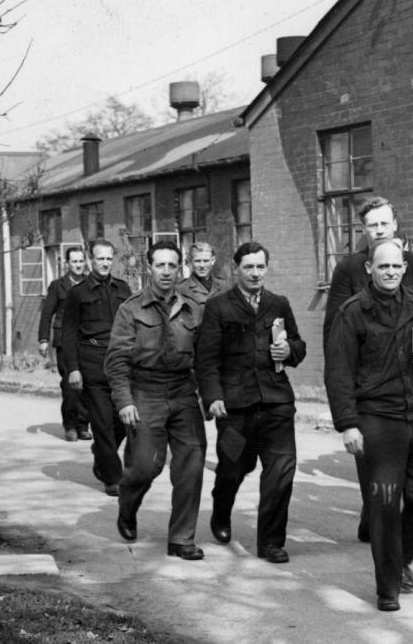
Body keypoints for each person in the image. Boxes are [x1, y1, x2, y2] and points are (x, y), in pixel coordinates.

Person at [325, 239, 413, 612]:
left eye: (397, 267)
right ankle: (388, 588)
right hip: (377, 422)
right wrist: (348, 425)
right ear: (370, 269)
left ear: (405, 267)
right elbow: (338, 373)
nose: (391, 273)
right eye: (383, 267)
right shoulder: (353, 313)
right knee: (383, 504)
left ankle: (399, 560)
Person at [196, 241, 306, 564]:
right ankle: (220, 511)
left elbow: (298, 345)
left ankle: (271, 542)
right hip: (235, 406)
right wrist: (213, 396)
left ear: (267, 269)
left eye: (260, 267)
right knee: (233, 467)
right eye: (249, 267)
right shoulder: (219, 307)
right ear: (236, 269)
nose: (255, 273)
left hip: (276, 402)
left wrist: (290, 352)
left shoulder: (279, 304)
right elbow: (206, 359)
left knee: (281, 471)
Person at [105, 240, 207, 560]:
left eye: (171, 265)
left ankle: (181, 539)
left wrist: (208, 394)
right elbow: (116, 360)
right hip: (144, 391)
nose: (166, 271)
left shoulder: (192, 307)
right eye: (160, 265)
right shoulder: (131, 308)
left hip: (182, 392)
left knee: (191, 463)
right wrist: (124, 402)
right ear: (150, 268)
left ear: (180, 268)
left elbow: (204, 355)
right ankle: (127, 505)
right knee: (145, 467)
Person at [60, 240, 132, 496]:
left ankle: (101, 453)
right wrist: (73, 368)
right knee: (101, 422)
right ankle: (112, 477)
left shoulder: (123, 289)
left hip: (122, 361)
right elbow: (68, 333)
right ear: (91, 260)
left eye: (108, 259)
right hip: (92, 362)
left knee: (124, 421)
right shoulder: (77, 293)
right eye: (100, 258)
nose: (104, 263)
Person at [38, 247, 92, 442]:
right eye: (74, 261)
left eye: (81, 261)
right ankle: (70, 425)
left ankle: (83, 425)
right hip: (64, 341)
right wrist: (43, 339)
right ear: (67, 263)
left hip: (87, 340)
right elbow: (47, 314)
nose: (78, 265)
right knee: (70, 384)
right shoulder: (57, 286)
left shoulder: (90, 283)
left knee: (86, 384)